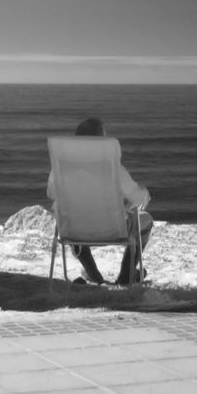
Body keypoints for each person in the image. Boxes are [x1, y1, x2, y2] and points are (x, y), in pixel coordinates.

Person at [47, 117, 153, 285]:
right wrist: (141, 194)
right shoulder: (112, 168)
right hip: (113, 230)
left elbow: (52, 193)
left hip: (73, 231)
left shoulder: (61, 168)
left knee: (69, 218)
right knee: (145, 220)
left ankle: (94, 276)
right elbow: (137, 197)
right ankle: (127, 276)